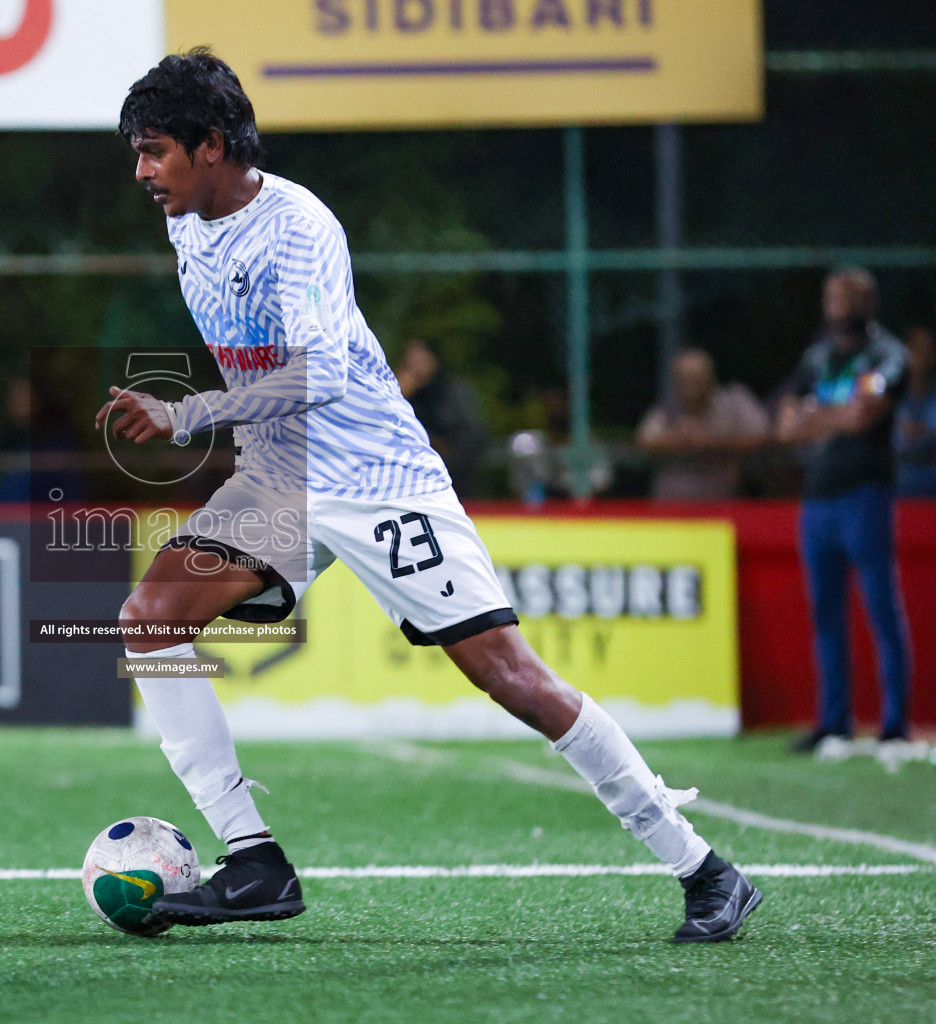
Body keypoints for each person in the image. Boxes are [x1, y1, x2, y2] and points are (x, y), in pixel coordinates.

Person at [100, 49, 760, 943]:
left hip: (380, 480)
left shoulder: (298, 228)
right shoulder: (187, 223)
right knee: (150, 618)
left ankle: (702, 868)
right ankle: (253, 859)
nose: (142, 173)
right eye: (138, 153)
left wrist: (192, 415)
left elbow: (325, 373)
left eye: (155, 152)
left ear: (212, 145)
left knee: (509, 677)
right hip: (283, 479)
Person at [776, 268, 914, 758]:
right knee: (825, 612)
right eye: (833, 296)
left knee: (880, 606)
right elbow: (786, 425)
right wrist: (830, 415)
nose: (838, 305)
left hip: (865, 494)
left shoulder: (889, 355)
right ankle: (833, 723)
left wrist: (819, 416)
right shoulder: (818, 357)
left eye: (848, 297)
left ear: (869, 302)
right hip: (818, 497)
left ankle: (895, 725)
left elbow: (862, 417)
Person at [637, 348, 770, 500]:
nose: (689, 383)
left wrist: (712, 441)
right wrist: (677, 438)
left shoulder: (734, 400)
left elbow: (763, 435)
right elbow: (644, 440)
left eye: (695, 377)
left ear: (710, 376)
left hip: (725, 504)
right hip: (671, 507)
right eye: (683, 377)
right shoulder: (667, 408)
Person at [393, 339, 490, 498]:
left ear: (433, 360)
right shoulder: (399, 392)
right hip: (410, 470)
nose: (416, 367)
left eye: (420, 359)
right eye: (409, 362)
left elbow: (470, 434)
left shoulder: (451, 390)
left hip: (452, 467)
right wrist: (400, 391)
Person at [895, 325, 936, 497]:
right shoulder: (890, 393)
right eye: (917, 348)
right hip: (899, 475)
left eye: (929, 349)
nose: (923, 355)